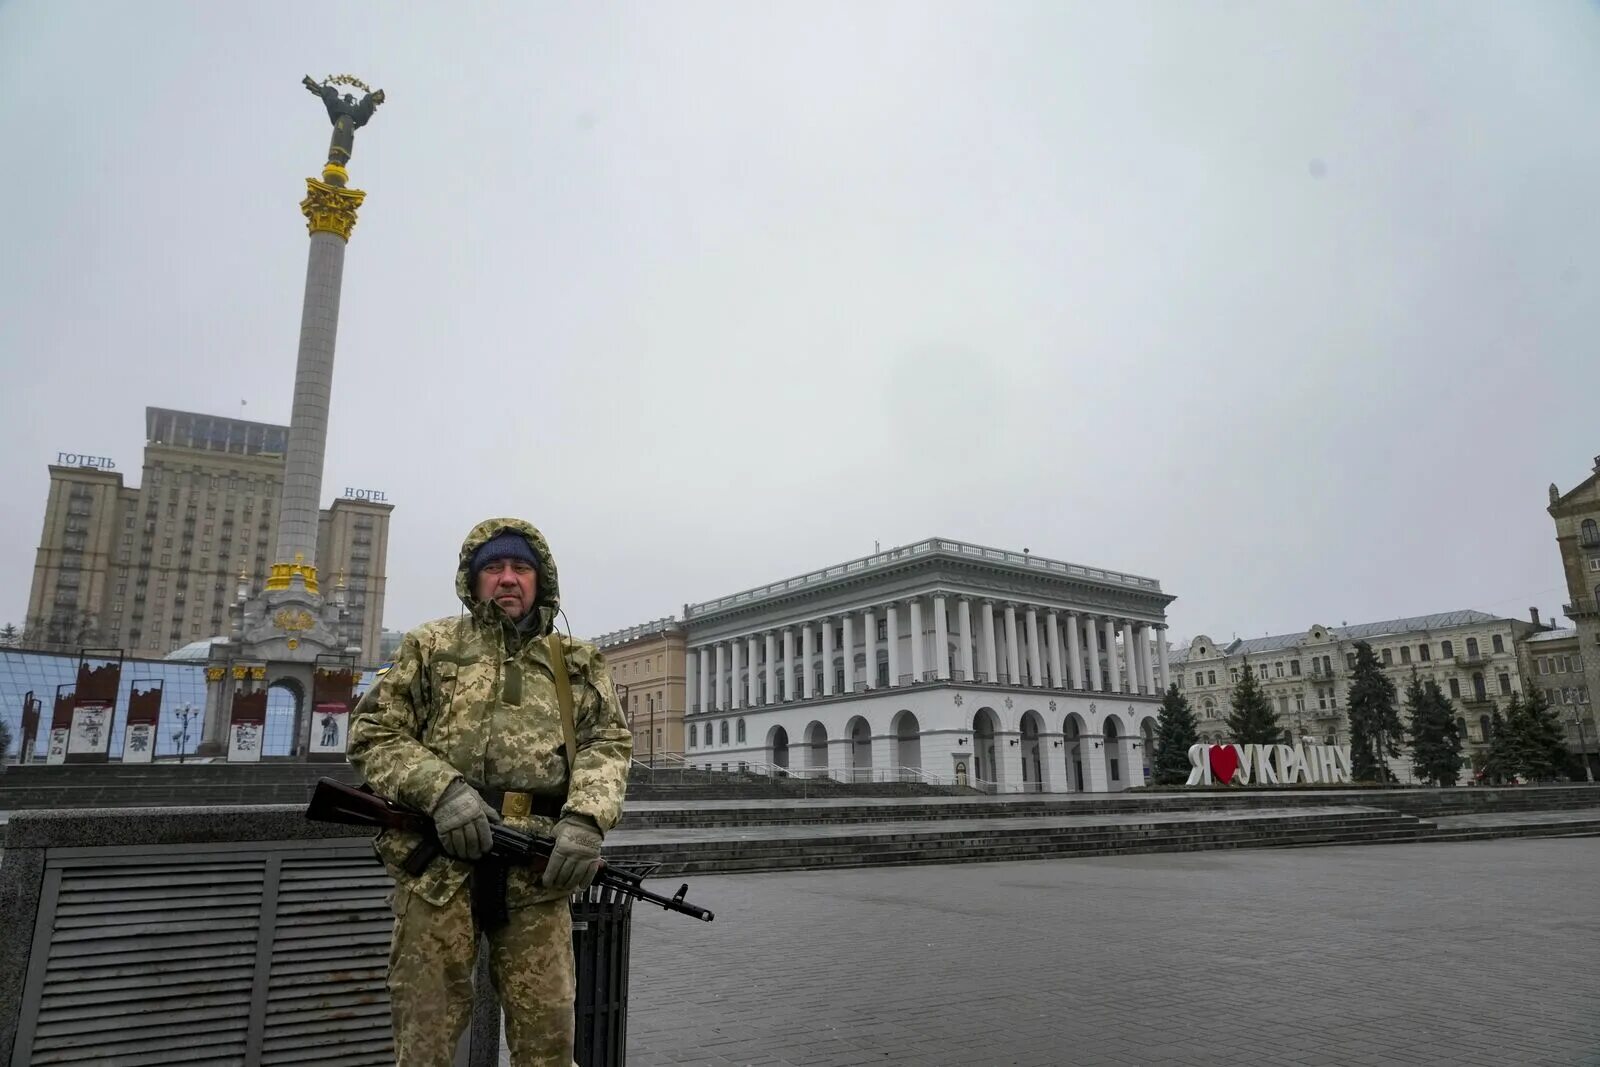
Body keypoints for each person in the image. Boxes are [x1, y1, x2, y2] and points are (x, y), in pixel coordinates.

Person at [348, 518, 632, 1066]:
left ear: (540, 579)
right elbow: (373, 732)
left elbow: (609, 744)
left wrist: (586, 820)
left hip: (536, 872)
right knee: (423, 1043)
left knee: (549, 1042)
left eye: (520, 568)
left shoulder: (576, 661)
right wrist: (442, 792)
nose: (507, 579)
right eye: (493, 568)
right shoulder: (430, 646)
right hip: (438, 870)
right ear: (473, 581)